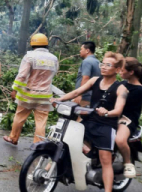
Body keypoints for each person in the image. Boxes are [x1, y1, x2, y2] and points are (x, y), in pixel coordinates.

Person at [52, 52, 129, 192]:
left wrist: (107, 112)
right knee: (66, 141)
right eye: (103, 64)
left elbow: (118, 110)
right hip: (90, 121)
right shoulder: (94, 80)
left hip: (106, 126)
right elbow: (76, 92)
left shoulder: (121, 88)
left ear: (117, 70)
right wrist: (58, 100)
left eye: (108, 65)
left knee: (105, 160)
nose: (104, 67)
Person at [3, 34, 58, 145]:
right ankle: (38, 144)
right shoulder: (54, 58)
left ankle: (13, 138)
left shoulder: (29, 56)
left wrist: (14, 89)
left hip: (27, 94)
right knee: (41, 122)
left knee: (20, 116)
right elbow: (54, 74)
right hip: (45, 96)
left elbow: (22, 75)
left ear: (33, 44)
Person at [116, 57, 142, 178]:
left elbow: (123, 106)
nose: (120, 72)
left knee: (119, 140)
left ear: (131, 72)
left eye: (122, 70)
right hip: (114, 114)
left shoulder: (138, 89)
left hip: (127, 118)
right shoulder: (122, 83)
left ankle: (128, 163)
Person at [75, 41, 101, 107]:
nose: (80, 51)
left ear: (87, 50)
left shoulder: (87, 61)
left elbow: (85, 78)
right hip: (94, 96)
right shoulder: (98, 62)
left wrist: (79, 95)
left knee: (79, 115)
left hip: (85, 97)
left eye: (81, 49)